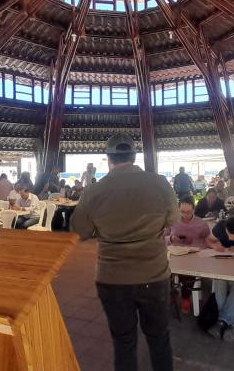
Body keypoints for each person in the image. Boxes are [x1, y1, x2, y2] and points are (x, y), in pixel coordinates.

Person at [71, 133, 178, 371]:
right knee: (159, 338)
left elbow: (80, 231)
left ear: (109, 158)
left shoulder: (94, 190)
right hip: (153, 275)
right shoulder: (160, 183)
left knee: (124, 342)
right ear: (134, 156)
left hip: (112, 278)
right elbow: (173, 219)